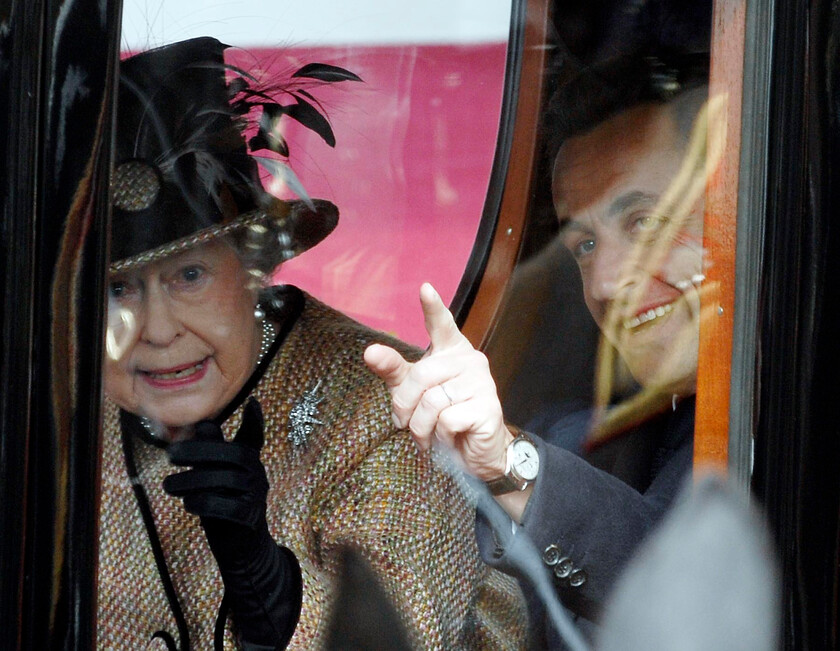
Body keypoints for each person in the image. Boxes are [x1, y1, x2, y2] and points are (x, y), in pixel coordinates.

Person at [97, 37, 527, 650]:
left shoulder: (383, 412)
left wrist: (271, 589)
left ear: (252, 270)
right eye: (119, 288)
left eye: (189, 276)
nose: (159, 330)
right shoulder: (55, 427)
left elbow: (407, 636)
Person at [364, 53, 712, 646]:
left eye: (646, 224)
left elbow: (687, 594)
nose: (604, 283)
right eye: (583, 246)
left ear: (739, 210)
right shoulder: (578, 437)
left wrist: (507, 462)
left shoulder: (789, 429)